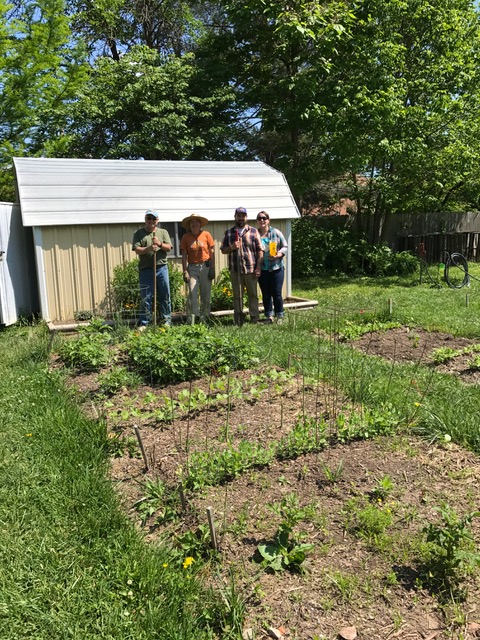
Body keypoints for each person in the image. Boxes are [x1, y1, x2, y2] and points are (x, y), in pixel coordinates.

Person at [221, 206, 263, 326]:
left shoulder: (253, 231)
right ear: (235, 217)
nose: (241, 218)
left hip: (250, 269)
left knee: (253, 295)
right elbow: (223, 250)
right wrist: (231, 247)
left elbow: (260, 250)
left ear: (246, 217)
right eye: (238, 216)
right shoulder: (229, 233)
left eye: (243, 216)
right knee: (237, 296)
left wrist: (258, 267)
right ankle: (238, 319)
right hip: (235, 270)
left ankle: (254, 317)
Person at [132, 210, 172, 327]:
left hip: (161, 268)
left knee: (164, 295)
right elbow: (137, 249)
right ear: (145, 220)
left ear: (157, 220)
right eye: (148, 218)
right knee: (146, 297)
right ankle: (145, 323)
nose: (151, 221)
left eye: (153, 219)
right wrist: (149, 248)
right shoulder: (139, 233)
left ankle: (166, 321)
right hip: (146, 270)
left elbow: (168, 248)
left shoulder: (163, 232)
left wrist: (159, 244)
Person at [180, 213, 215, 324]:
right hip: (192, 268)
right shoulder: (186, 237)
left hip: (205, 266)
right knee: (193, 293)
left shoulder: (206, 235)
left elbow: (212, 252)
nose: (194, 224)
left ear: (200, 224)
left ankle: (204, 318)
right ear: (189, 225)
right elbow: (184, 254)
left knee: (205, 294)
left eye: (196, 222)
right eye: (192, 222)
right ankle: (192, 318)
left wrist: (213, 268)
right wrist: (185, 270)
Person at [256, 211, 288, 324]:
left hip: (276, 268)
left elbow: (285, 246)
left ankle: (280, 316)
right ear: (257, 221)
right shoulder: (255, 234)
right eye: (259, 218)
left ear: (268, 220)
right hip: (262, 268)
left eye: (264, 218)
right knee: (266, 293)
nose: (262, 220)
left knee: (277, 293)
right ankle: (269, 316)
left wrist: (278, 255)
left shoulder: (276, 232)